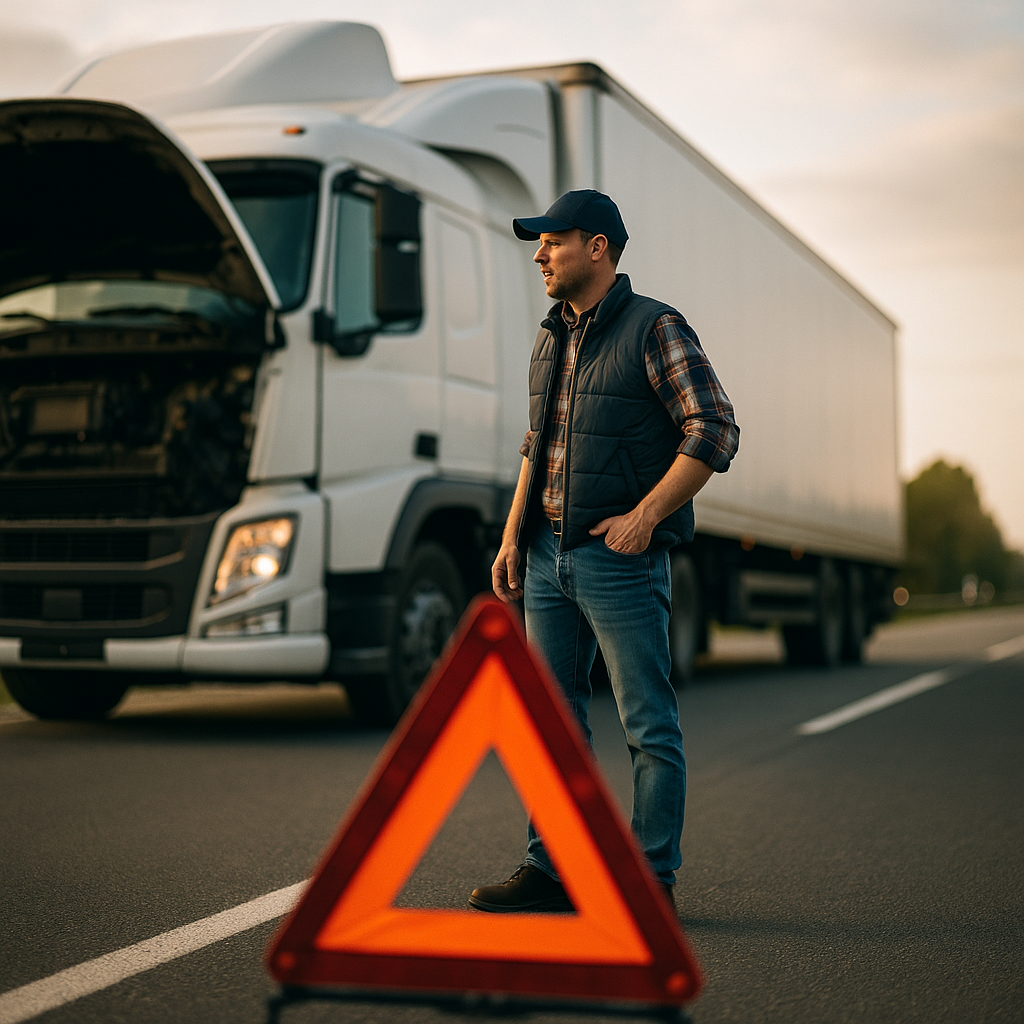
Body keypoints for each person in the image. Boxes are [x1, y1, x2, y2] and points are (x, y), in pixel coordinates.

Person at [468, 189, 739, 914]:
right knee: (552, 726)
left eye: (551, 241)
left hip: (617, 562)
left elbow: (713, 429)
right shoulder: (550, 334)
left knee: (647, 725)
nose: (539, 255)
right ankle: (553, 871)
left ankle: (652, 884)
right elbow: (538, 444)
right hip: (545, 557)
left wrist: (646, 516)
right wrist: (510, 534)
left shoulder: (656, 327)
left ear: (597, 246)